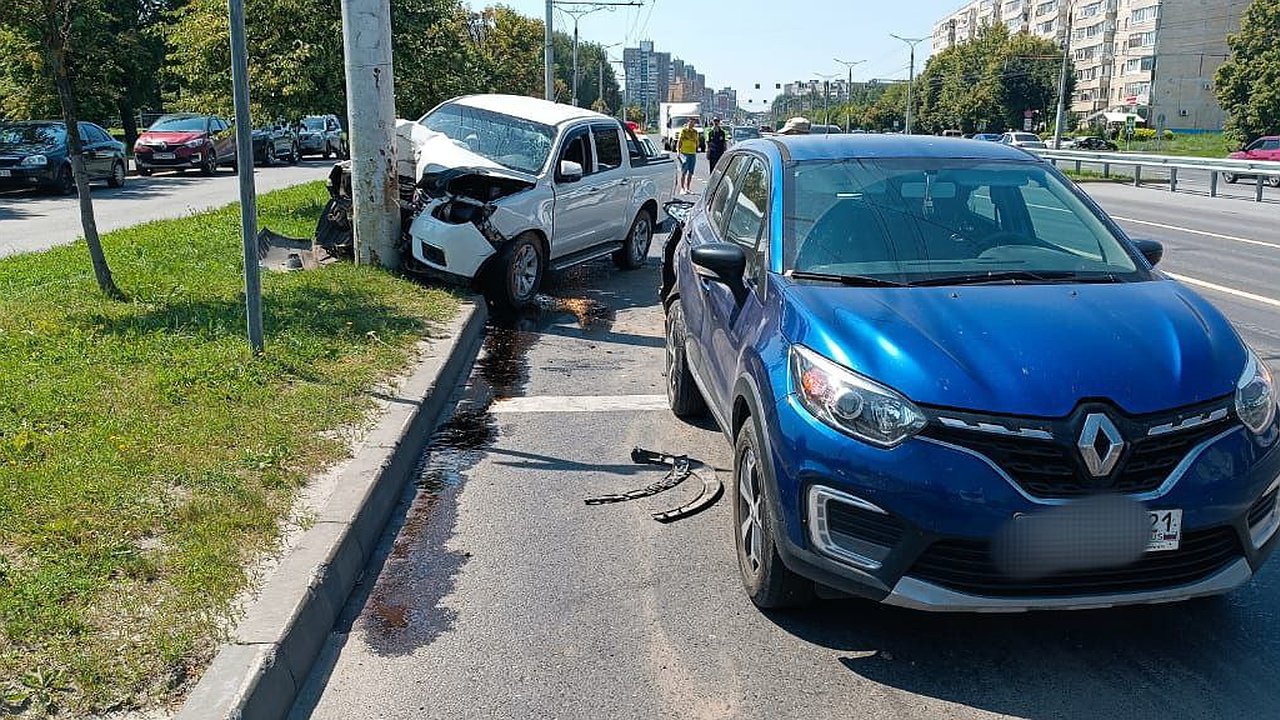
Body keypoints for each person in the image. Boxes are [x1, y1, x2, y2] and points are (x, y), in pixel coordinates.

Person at [677, 118, 700, 194]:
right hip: (684, 153)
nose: (692, 124)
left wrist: (697, 147)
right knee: (684, 171)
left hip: (692, 153)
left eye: (693, 123)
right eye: (691, 122)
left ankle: (688, 188)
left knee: (691, 172)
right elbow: (679, 141)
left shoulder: (695, 132)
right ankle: (682, 188)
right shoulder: (684, 131)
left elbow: (697, 142)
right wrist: (678, 151)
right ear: (688, 123)